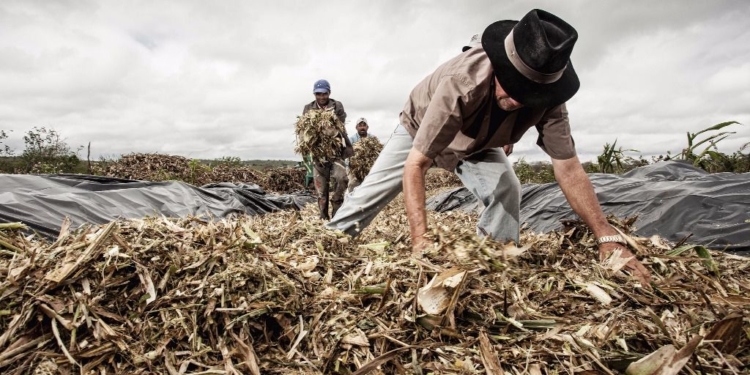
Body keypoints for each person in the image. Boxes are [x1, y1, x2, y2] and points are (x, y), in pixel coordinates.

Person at [326, 9, 651, 285]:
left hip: (477, 142)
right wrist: (420, 243)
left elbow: (568, 167)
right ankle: (329, 241)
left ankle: (495, 267)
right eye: (511, 87)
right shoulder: (461, 82)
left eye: (528, 95)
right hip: (419, 129)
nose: (514, 101)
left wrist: (606, 236)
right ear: (499, 66)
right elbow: (416, 165)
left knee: (507, 188)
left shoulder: (550, 99)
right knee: (371, 194)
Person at [302, 79, 354, 220]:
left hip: (336, 152)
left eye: (324, 94)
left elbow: (340, 123)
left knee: (342, 178)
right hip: (318, 155)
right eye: (318, 94)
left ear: (329, 93)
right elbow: (306, 128)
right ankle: (323, 217)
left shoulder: (337, 105)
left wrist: (328, 127)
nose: (321, 97)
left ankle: (336, 208)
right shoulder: (308, 108)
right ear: (314, 94)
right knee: (321, 190)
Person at [347, 117, 376, 192]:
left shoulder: (372, 139)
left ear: (367, 127)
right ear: (356, 127)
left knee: (371, 185)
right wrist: (351, 165)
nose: (362, 127)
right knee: (352, 184)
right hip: (354, 168)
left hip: (369, 168)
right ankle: (350, 201)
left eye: (364, 125)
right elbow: (347, 156)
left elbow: (377, 153)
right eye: (360, 125)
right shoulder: (352, 140)